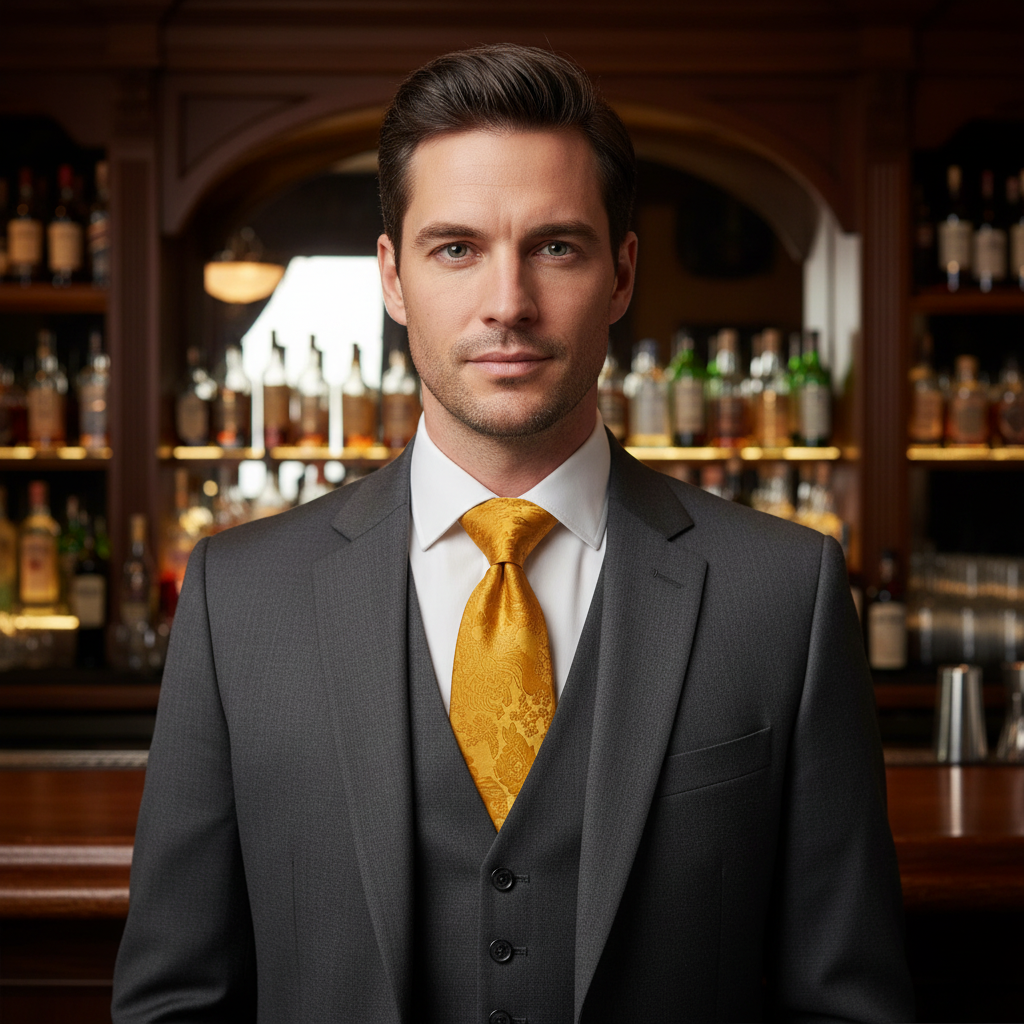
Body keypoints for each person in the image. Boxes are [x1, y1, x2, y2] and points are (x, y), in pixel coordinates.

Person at [113, 44, 914, 1023]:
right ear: (392, 277)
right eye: (456, 248)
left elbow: (849, 1003)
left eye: (556, 247)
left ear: (621, 274)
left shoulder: (782, 592)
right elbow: (174, 1000)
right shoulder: (240, 595)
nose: (508, 303)